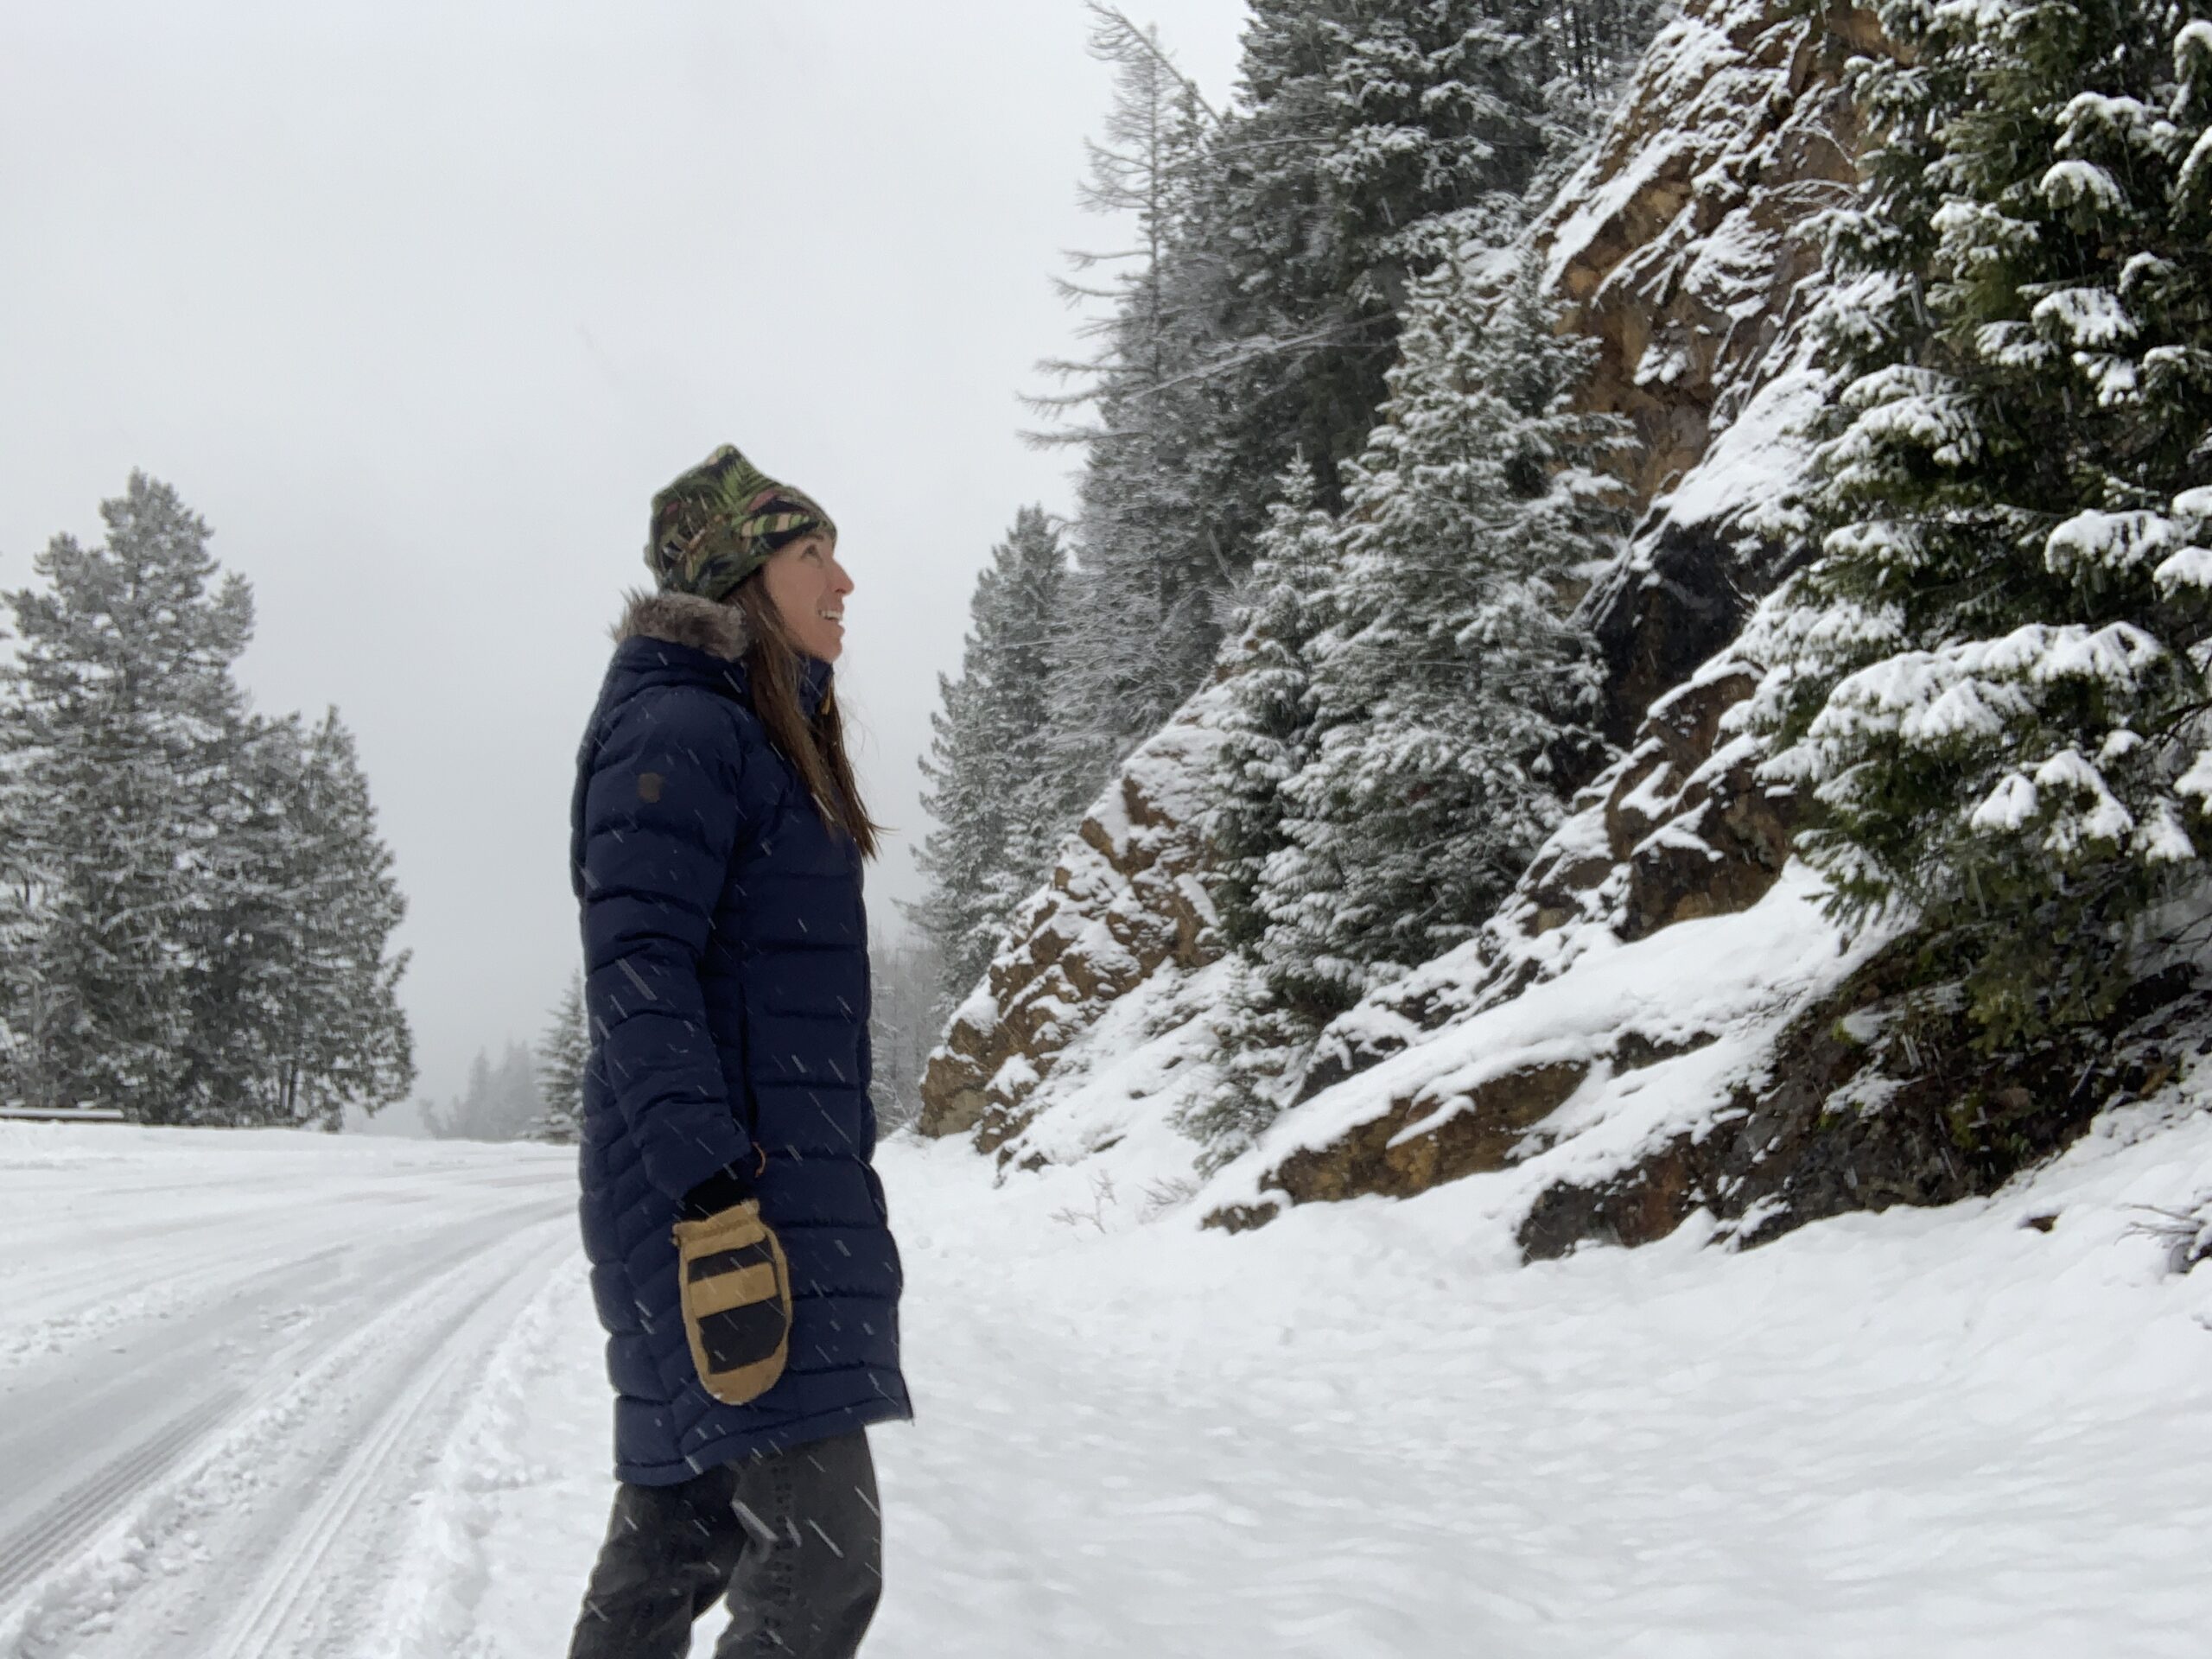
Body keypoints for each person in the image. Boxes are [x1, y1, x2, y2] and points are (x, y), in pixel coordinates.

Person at [566, 446, 909, 1659]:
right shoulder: (683, 726)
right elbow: (637, 964)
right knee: (817, 1572)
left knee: (679, 1541)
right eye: (815, 554)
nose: (846, 581)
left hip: (744, 1202)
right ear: (744, 578)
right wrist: (712, 1185)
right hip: (723, 1216)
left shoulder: (754, 736)